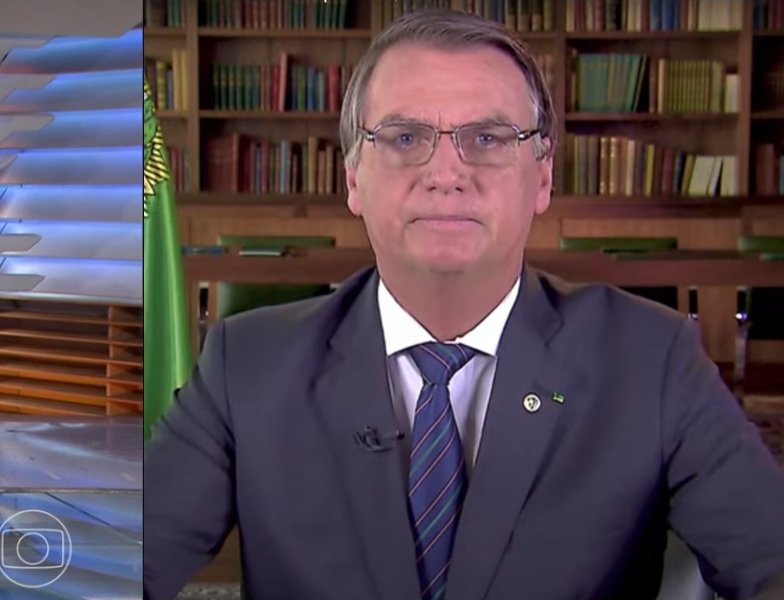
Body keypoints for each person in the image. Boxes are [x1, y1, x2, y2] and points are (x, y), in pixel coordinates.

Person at [143, 9, 784, 600]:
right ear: (353, 178)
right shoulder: (245, 365)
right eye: (404, 137)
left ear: (542, 177)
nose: (446, 174)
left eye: (488, 138)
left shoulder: (653, 360)